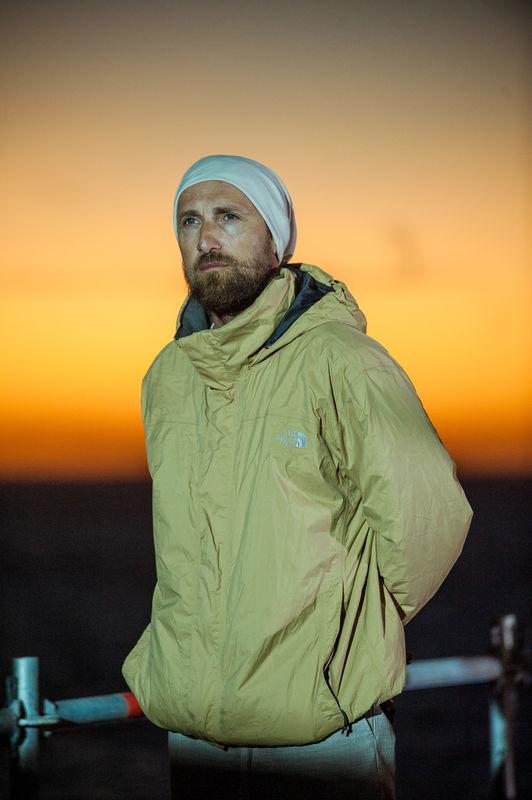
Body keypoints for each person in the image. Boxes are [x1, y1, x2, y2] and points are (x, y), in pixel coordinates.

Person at [122, 155, 473, 799]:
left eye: (229, 216)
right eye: (189, 221)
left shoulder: (345, 362)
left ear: (276, 240)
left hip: (324, 740)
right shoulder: (168, 378)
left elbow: (430, 515)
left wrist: (344, 639)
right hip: (196, 737)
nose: (206, 237)